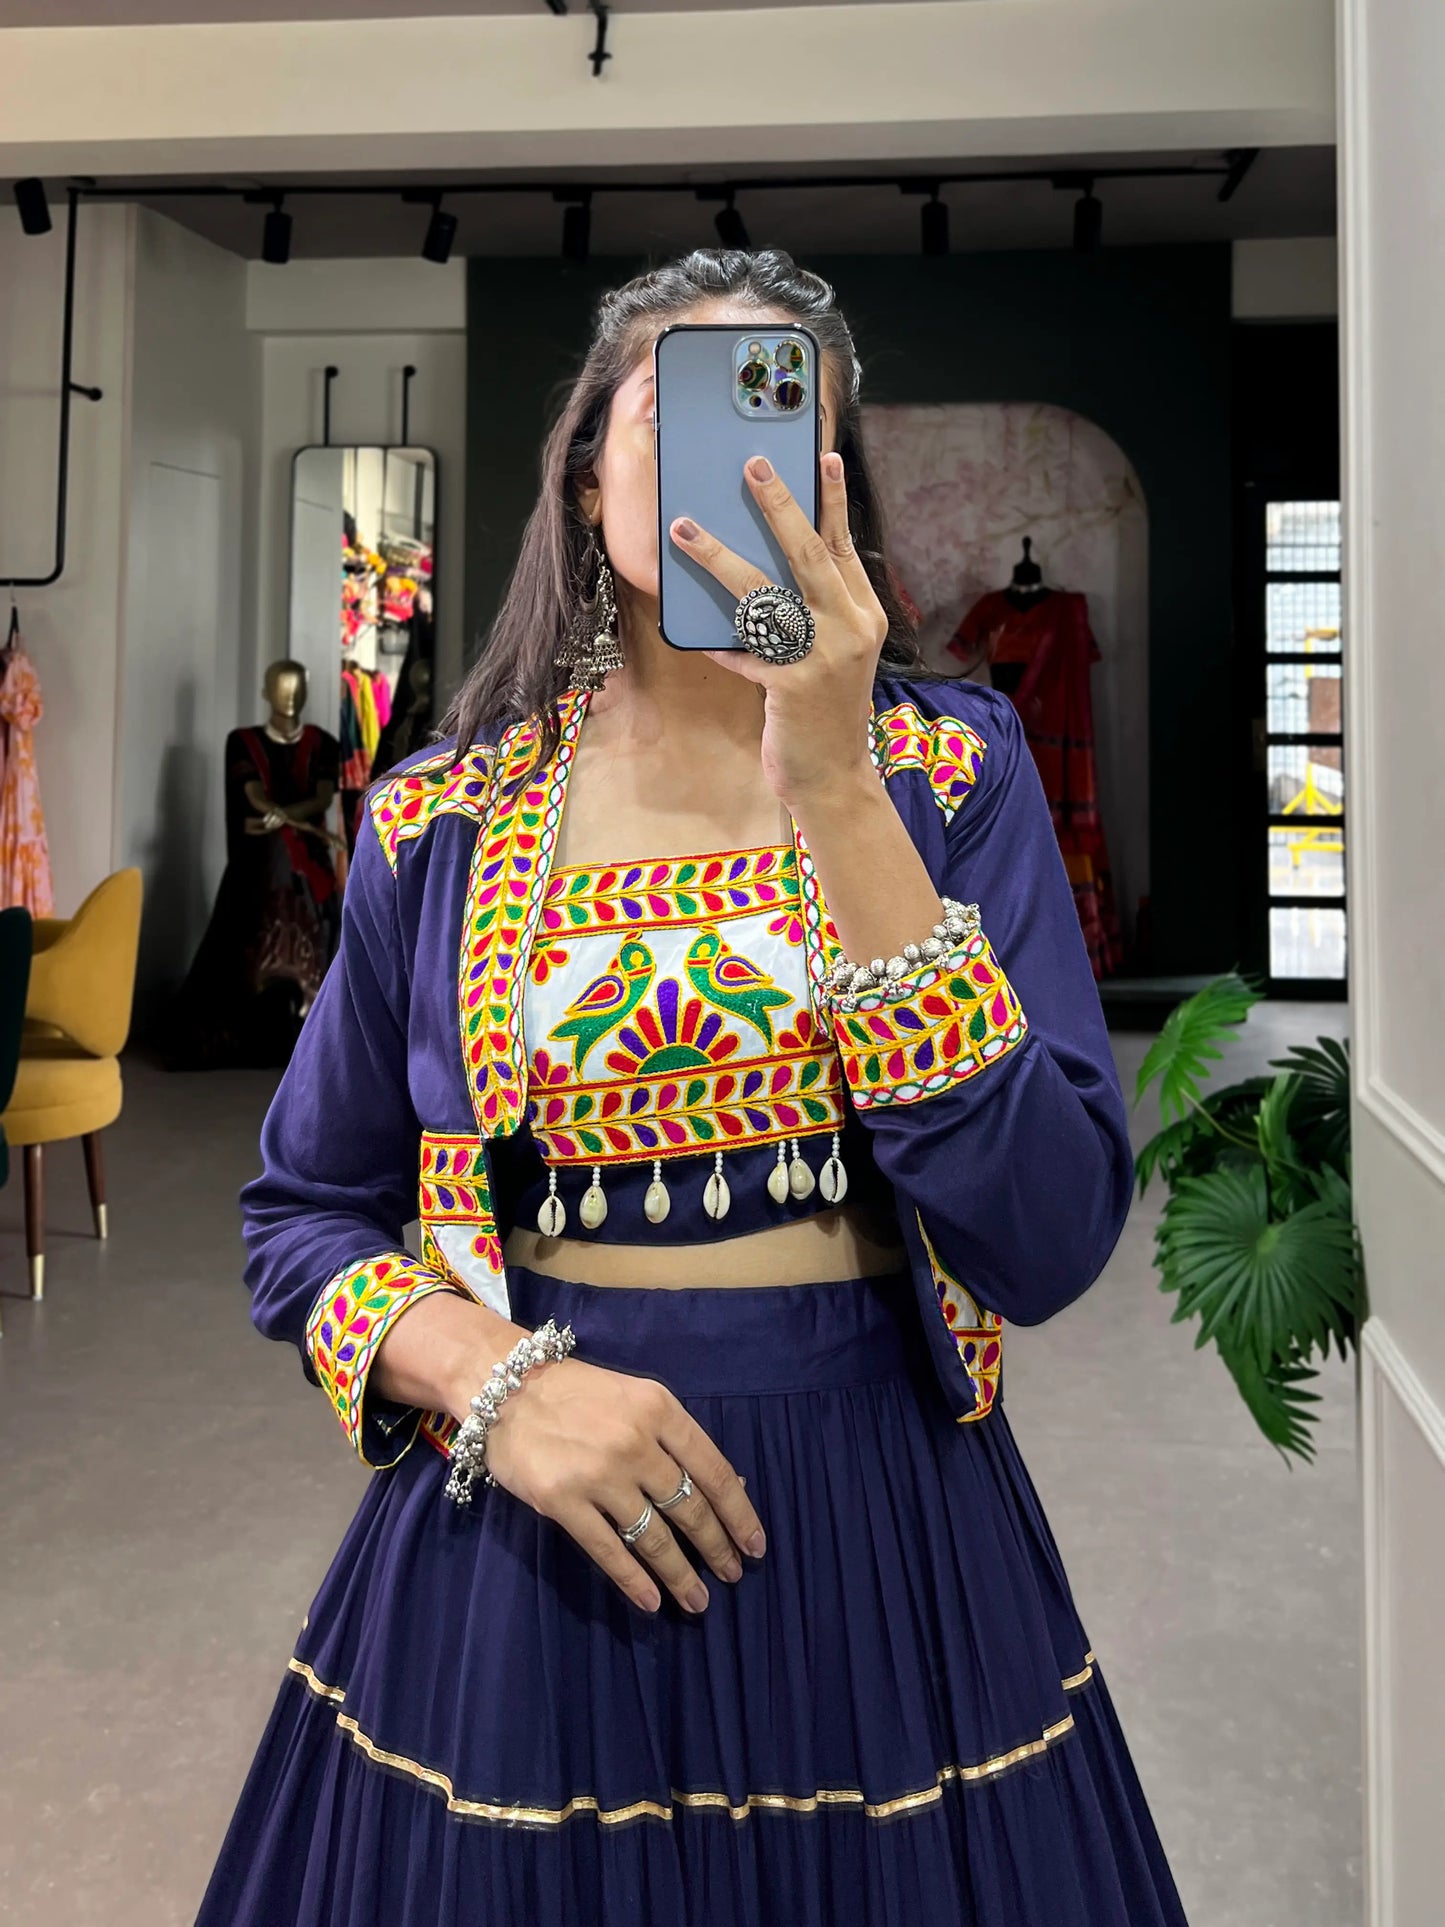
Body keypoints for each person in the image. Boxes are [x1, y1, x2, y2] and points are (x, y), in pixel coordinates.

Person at [197, 250, 1188, 1925]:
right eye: (678, 404)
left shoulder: (949, 774)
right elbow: (301, 1215)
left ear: (835, 488)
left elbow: (1045, 1237)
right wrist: (498, 1386)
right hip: (520, 1544)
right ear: (587, 482)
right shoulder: (438, 819)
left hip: (881, 1528)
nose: (737, 453)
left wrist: (840, 790)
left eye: (782, 415)